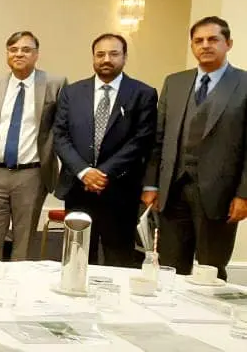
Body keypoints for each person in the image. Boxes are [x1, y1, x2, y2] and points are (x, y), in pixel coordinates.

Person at [144, 17, 247, 280]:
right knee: (169, 269)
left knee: (210, 271)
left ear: (228, 43)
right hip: (172, 189)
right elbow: (158, 138)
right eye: (198, 40)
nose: (205, 45)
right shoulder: (175, 82)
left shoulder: (243, 84)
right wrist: (151, 184)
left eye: (213, 39)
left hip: (219, 194)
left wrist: (244, 195)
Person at [53, 33, 156, 267]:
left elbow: (141, 140)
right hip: (78, 189)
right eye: (100, 54)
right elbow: (60, 135)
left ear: (125, 57)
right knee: (77, 258)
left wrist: (103, 173)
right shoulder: (72, 92)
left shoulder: (143, 93)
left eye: (113, 53)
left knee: (118, 259)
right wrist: (83, 171)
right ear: (93, 58)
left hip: (120, 189)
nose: (106, 59)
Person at [0, 31, 66, 261]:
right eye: (13, 49)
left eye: (26, 50)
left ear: (36, 54)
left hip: (32, 173)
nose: (19, 54)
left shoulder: (55, 84)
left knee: (24, 242)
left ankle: (19, 292)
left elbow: (63, 128)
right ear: (7, 54)